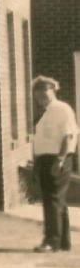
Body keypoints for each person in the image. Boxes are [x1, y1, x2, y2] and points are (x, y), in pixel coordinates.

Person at [31, 75, 78, 253]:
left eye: (45, 90)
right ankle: (63, 241)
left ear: (54, 90)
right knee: (57, 200)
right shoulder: (45, 111)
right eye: (38, 91)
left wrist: (60, 159)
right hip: (45, 159)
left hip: (57, 158)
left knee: (52, 200)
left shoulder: (62, 109)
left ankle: (51, 241)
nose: (41, 94)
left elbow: (69, 135)